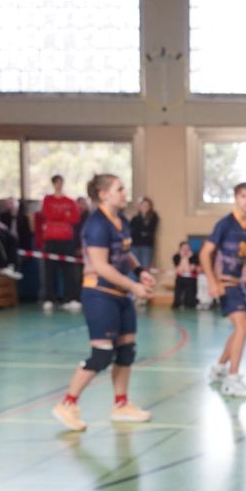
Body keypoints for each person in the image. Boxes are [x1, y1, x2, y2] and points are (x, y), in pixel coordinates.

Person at [51, 174, 154, 431]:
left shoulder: (122, 220)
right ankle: (67, 403)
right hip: (100, 295)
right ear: (103, 194)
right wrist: (134, 286)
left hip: (121, 295)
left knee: (126, 351)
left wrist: (140, 271)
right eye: (119, 189)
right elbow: (100, 266)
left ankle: (121, 405)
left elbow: (125, 253)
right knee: (102, 354)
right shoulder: (96, 225)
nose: (124, 193)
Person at [200, 182, 246, 398]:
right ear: (236, 198)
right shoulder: (225, 224)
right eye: (243, 196)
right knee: (243, 327)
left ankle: (219, 368)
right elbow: (205, 253)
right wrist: (212, 282)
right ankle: (232, 379)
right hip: (224, 284)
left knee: (243, 329)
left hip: (238, 284)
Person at [40, 175, 82, 313]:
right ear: (53, 184)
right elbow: (48, 215)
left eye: (61, 182)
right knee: (49, 270)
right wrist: (64, 215)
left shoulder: (70, 201)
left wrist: (61, 216)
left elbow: (75, 218)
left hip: (66, 238)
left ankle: (70, 299)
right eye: (56, 182)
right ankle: (49, 299)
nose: (59, 185)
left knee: (69, 270)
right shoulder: (48, 199)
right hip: (51, 238)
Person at [129, 197, 159, 273]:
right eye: (143, 205)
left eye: (146, 205)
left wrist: (142, 232)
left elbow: (150, 230)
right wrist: (142, 232)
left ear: (150, 207)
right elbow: (132, 231)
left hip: (146, 245)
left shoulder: (153, 217)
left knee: (145, 266)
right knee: (134, 266)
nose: (144, 207)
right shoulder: (135, 218)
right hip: (135, 245)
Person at [171, 241, 200, 310]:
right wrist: (183, 258)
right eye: (184, 249)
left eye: (187, 249)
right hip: (180, 278)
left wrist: (186, 258)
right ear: (180, 249)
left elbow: (189, 269)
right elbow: (180, 270)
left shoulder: (194, 256)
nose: (186, 250)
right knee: (177, 298)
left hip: (191, 278)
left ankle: (190, 303)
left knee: (190, 301)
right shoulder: (176, 256)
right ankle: (178, 303)